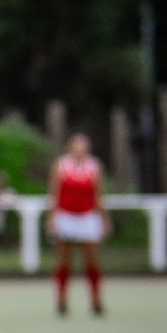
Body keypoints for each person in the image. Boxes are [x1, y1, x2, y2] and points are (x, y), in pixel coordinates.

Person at [48, 133, 109, 316]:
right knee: (64, 261)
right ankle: (62, 301)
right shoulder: (60, 165)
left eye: (83, 147)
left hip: (88, 217)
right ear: (70, 148)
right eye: (77, 146)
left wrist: (104, 219)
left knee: (91, 261)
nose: (80, 150)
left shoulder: (94, 166)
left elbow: (98, 195)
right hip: (66, 217)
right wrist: (52, 218)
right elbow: (54, 194)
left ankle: (96, 300)